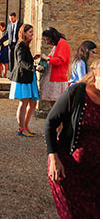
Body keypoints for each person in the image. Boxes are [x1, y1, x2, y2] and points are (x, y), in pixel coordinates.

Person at [45, 55, 99, 219]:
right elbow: (50, 123)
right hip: (69, 171)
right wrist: (53, 158)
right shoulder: (77, 92)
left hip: (96, 176)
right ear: (96, 73)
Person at [10, 23, 41, 137]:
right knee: (24, 103)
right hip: (22, 77)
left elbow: (25, 60)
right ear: (24, 33)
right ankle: (21, 128)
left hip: (28, 77)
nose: (32, 35)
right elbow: (21, 62)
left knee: (32, 103)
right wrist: (34, 67)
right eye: (30, 32)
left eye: (32, 32)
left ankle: (26, 126)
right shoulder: (20, 45)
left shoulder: (25, 45)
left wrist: (33, 59)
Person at [40, 27, 72, 104]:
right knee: (54, 103)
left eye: (48, 39)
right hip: (54, 77)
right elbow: (51, 57)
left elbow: (60, 60)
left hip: (57, 78)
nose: (47, 42)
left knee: (57, 103)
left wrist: (47, 59)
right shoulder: (57, 45)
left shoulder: (62, 43)